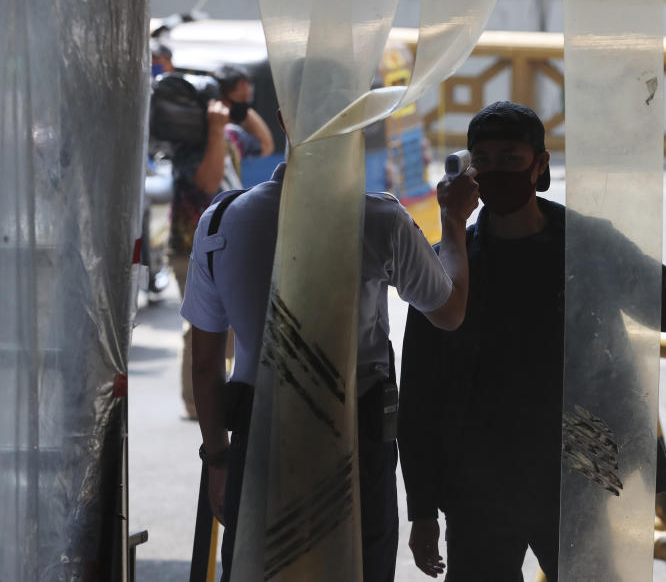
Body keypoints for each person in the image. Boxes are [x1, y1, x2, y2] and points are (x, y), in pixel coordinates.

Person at [397, 101, 666, 581]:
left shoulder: (589, 246)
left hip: (579, 466)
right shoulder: (446, 269)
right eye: (484, 159)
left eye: (511, 158)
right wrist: (421, 511)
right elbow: (419, 395)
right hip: (478, 475)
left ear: (540, 165)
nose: (496, 170)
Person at [180, 110, 479, 581]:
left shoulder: (222, 219)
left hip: (258, 446)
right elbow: (450, 311)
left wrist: (218, 458)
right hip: (356, 449)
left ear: (283, 114)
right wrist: (453, 221)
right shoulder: (381, 219)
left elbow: (205, 364)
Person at [170, 64, 274, 420]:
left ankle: (215, 390)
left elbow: (265, 143)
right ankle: (194, 401)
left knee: (227, 325)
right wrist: (215, 129)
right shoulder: (195, 139)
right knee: (202, 326)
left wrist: (243, 111)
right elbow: (208, 181)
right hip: (190, 245)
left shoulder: (230, 133)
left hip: (226, 242)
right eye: (238, 96)